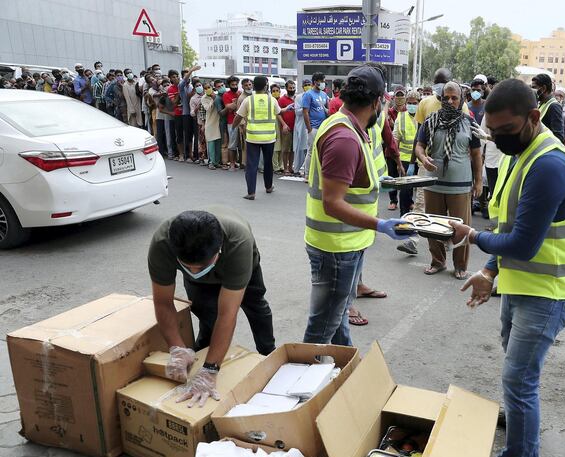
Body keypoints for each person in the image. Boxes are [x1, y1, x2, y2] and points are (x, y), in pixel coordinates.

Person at [447, 79, 565, 457]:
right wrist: (490, 273)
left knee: (520, 380)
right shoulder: (522, 154)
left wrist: (471, 237)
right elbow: (511, 226)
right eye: (493, 133)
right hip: (519, 284)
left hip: (546, 294)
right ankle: (517, 417)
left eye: (506, 132)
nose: (500, 141)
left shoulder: (549, 164)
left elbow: (523, 243)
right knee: (517, 374)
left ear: (534, 117)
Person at [302, 65, 411, 346]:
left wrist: (381, 181)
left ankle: (348, 374)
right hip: (336, 246)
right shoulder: (344, 137)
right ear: (377, 102)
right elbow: (333, 203)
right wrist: (382, 225)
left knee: (336, 321)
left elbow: (353, 181)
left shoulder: (347, 126)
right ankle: (301, 381)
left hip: (347, 242)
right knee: (323, 326)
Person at [149, 207, 275, 407]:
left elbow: (228, 314)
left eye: (200, 267)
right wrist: (177, 347)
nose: (194, 271)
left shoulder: (237, 244)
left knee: (255, 305)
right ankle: (197, 352)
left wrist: (211, 369)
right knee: (206, 313)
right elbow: (163, 301)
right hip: (200, 266)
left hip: (238, 262)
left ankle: (269, 352)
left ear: (219, 250)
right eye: (188, 266)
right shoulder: (163, 243)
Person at [415, 81, 484, 280]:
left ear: (461, 99)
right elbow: (419, 146)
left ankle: (460, 265)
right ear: (441, 99)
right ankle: (437, 261)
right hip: (433, 183)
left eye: (454, 98)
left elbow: (477, 154)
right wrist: (423, 157)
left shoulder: (469, 122)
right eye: (446, 98)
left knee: (461, 227)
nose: (450, 101)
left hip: (460, 185)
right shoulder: (431, 120)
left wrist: (478, 181)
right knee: (433, 225)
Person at [231, 76, 289, 200]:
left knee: (252, 165)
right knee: (268, 163)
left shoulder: (248, 100)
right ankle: (268, 187)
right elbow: (279, 112)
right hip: (269, 138)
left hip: (253, 137)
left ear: (254, 86)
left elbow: (238, 116)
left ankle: (251, 192)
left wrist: (234, 127)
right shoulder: (272, 100)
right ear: (265, 86)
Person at [390, 89, 420, 216]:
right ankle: (404, 214)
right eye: (410, 103)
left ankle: (416, 215)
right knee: (405, 189)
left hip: (421, 160)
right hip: (405, 159)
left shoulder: (424, 117)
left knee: (419, 190)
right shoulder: (400, 118)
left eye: (415, 103)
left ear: (419, 103)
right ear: (406, 103)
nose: (412, 105)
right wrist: (397, 162)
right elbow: (395, 140)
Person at [301, 72, 330, 181]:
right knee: (311, 151)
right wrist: (309, 129)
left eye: (324, 81)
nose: (323, 83)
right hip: (313, 128)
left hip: (323, 128)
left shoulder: (323, 94)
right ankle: (307, 174)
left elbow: (328, 109)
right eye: (321, 81)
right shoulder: (308, 94)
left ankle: (318, 173)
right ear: (315, 82)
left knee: (321, 151)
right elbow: (305, 112)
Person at [530, 74, 564, 142]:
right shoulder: (542, 104)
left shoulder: (554, 106)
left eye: (534, 87)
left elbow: (558, 136)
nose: (532, 90)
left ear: (543, 88)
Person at [179, 66, 201, 163]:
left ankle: (195, 155)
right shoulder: (181, 86)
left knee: (196, 135)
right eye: (186, 74)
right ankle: (187, 155)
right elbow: (184, 80)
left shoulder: (192, 87)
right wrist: (191, 70)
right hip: (186, 114)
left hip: (195, 115)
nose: (188, 76)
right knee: (187, 135)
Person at [201, 81, 223, 169]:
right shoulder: (204, 98)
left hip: (218, 122)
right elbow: (207, 109)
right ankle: (211, 162)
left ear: (212, 87)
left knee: (218, 143)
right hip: (210, 123)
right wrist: (213, 100)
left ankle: (217, 162)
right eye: (205, 88)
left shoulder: (218, 95)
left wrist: (216, 97)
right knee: (211, 143)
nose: (207, 89)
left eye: (208, 87)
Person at [221, 76, 241, 171]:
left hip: (242, 122)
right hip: (231, 122)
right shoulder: (226, 95)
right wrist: (235, 103)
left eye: (236, 84)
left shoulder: (240, 93)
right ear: (229, 85)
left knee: (242, 145)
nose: (235, 86)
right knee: (232, 144)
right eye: (233, 85)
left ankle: (241, 163)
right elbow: (230, 107)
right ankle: (232, 164)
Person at [278, 81, 297, 175]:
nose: (292, 90)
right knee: (286, 149)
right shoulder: (281, 100)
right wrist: (284, 124)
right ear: (286, 88)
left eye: (293, 88)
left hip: (296, 127)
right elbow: (278, 113)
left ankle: (290, 167)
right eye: (290, 88)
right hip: (286, 127)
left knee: (293, 149)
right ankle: (285, 168)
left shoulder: (297, 99)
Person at [293, 80, 311, 176]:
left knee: (309, 149)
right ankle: (296, 169)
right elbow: (297, 111)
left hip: (311, 125)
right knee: (301, 148)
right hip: (301, 125)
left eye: (309, 85)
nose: (307, 86)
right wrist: (306, 108)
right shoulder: (299, 97)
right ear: (302, 86)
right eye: (305, 85)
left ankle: (307, 170)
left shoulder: (314, 95)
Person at [167, 70, 184, 160]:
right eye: (173, 77)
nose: (176, 78)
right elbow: (174, 103)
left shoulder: (183, 85)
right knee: (179, 134)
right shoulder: (170, 89)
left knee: (188, 134)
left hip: (186, 113)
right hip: (177, 114)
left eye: (177, 76)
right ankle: (181, 154)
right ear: (170, 78)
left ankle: (189, 154)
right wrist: (178, 93)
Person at [189, 81, 207, 164]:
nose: (199, 87)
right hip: (200, 122)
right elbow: (192, 113)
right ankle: (201, 158)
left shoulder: (207, 95)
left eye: (200, 85)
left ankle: (210, 158)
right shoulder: (193, 99)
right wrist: (197, 107)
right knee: (201, 140)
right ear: (194, 88)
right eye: (197, 86)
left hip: (210, 121)